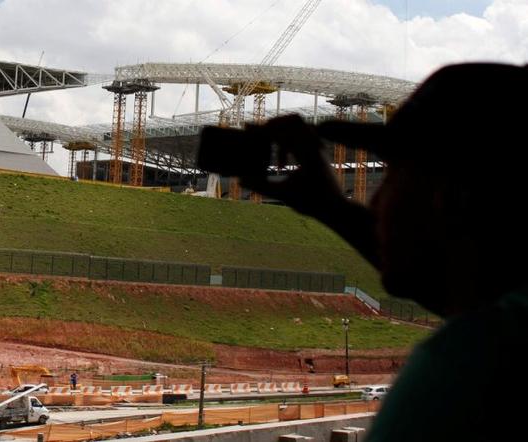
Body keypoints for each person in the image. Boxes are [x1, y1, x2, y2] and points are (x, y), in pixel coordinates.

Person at [200, 63, 528, 441]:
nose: (376, 201)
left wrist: (331, 208)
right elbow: (451, 288)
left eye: (392, 174)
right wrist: (330, 207)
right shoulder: (513, 326)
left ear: (452, 197)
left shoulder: (467, 367)